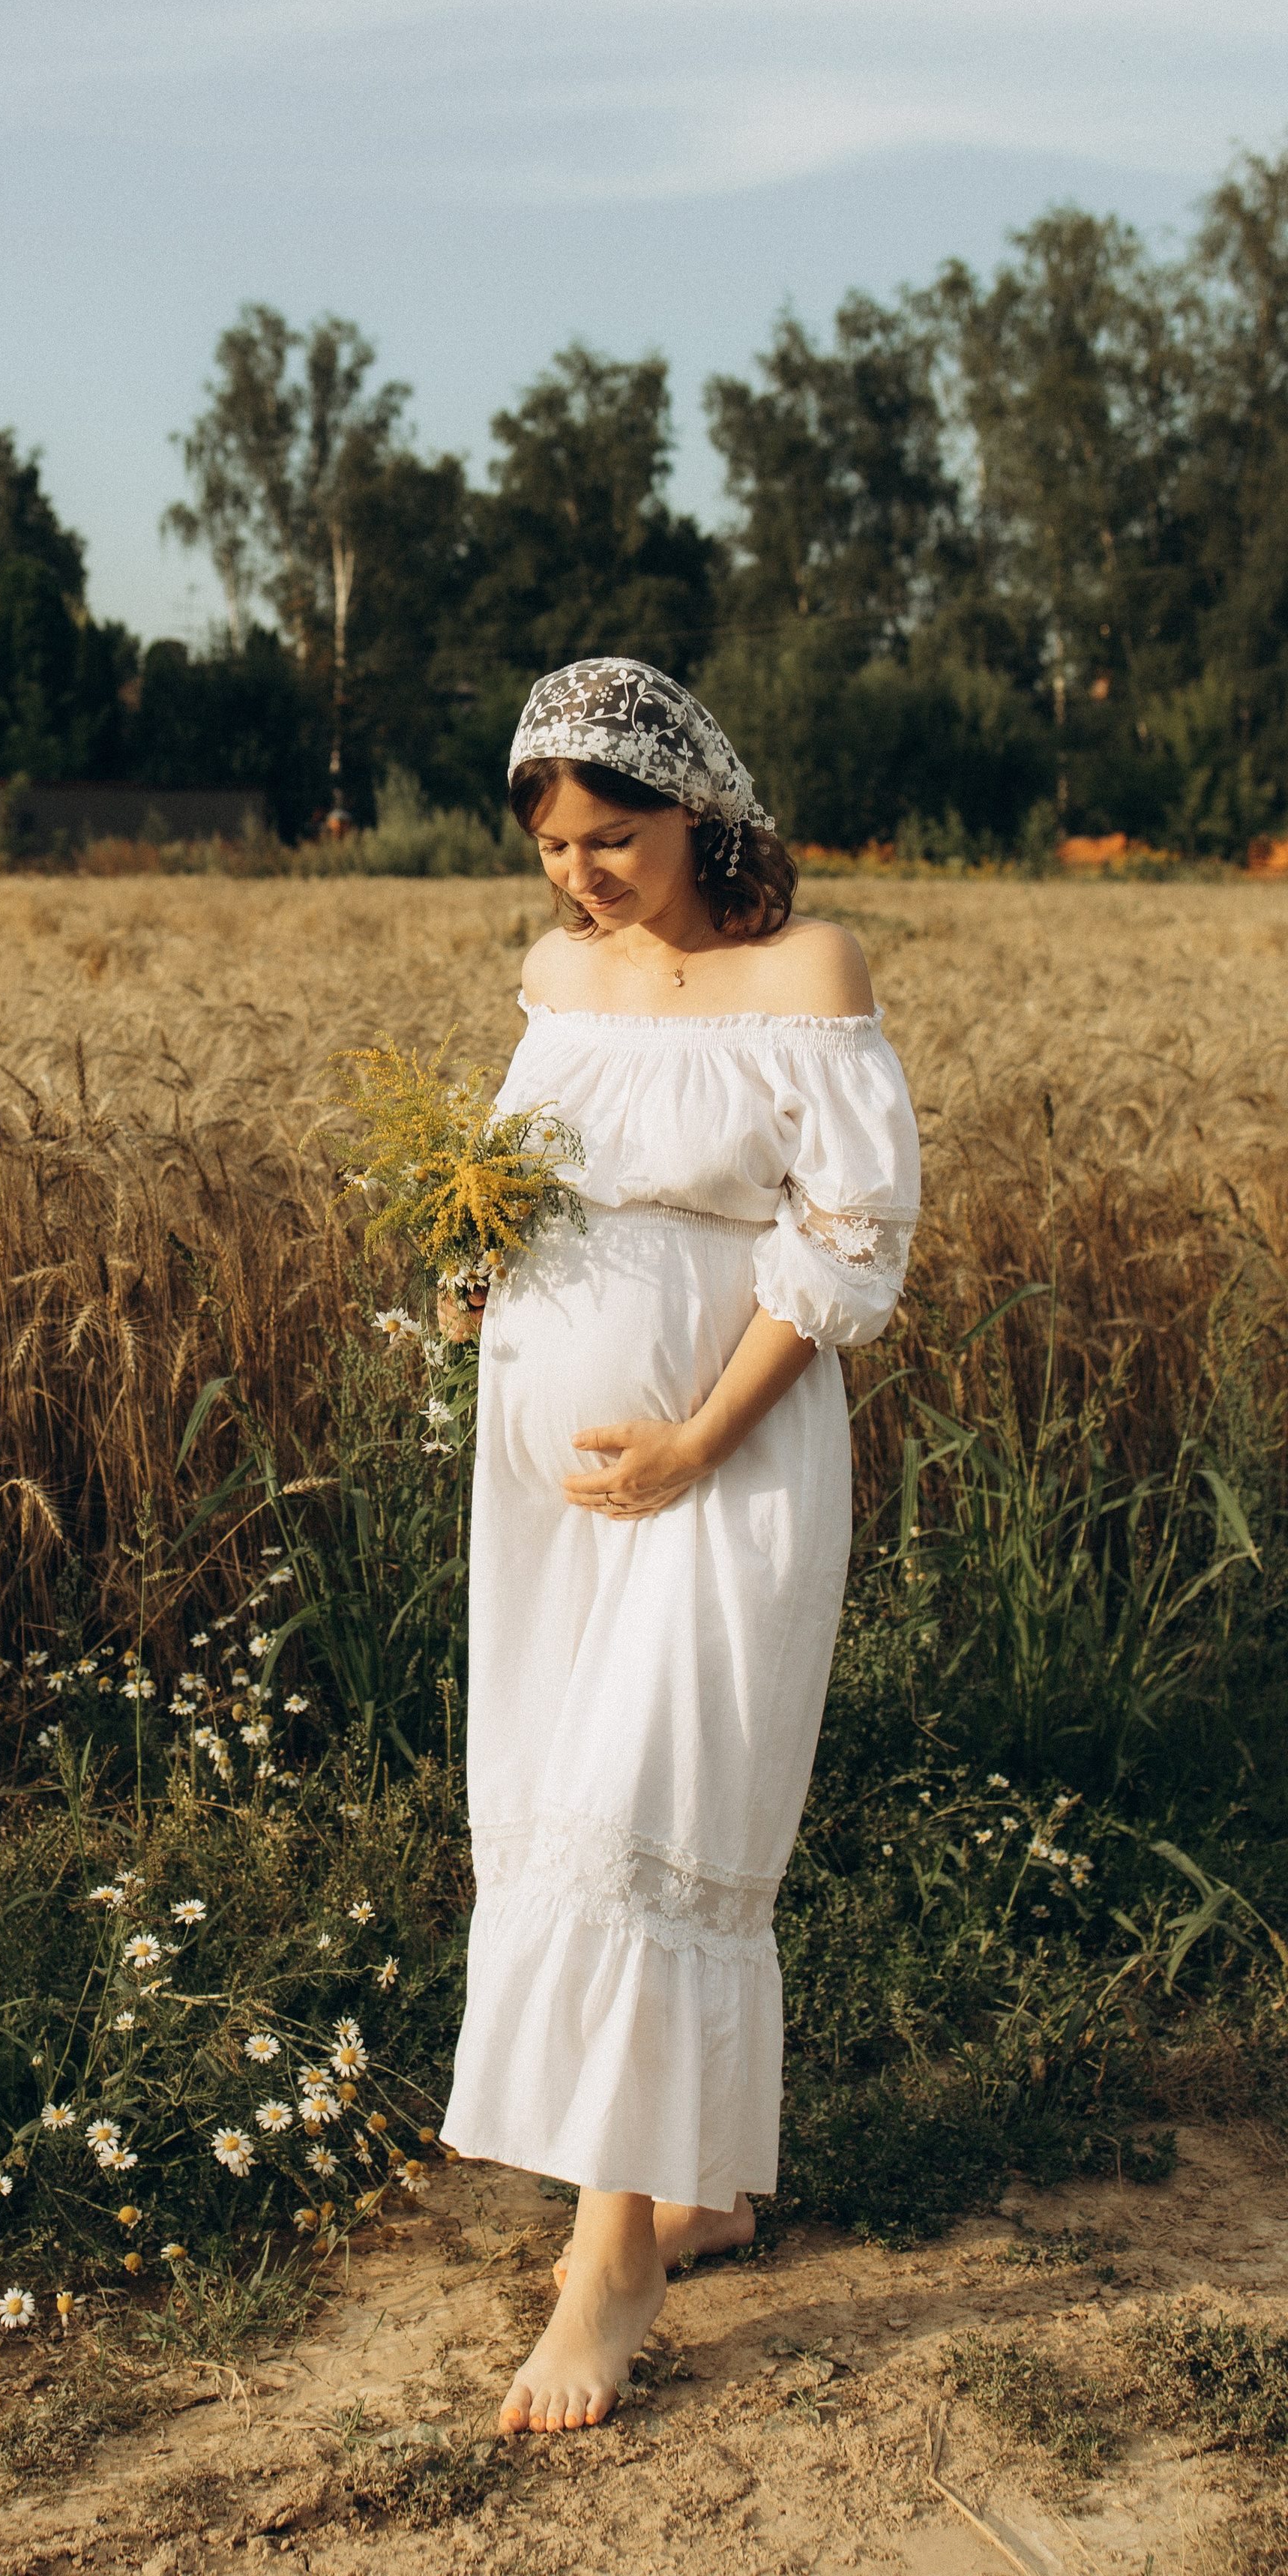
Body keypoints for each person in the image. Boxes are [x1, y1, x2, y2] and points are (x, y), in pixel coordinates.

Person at [436, 657, 921, 2436]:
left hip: (724, 1458)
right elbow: (518, 1166)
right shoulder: (555, 976)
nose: (580, 875)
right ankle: (689, 2180)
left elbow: (850, 1238)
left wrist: (698, 1434)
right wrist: (467, 1253)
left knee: (651, 1808)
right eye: (553, 844)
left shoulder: (805, 974)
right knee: (560, 1797)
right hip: (549, 1472)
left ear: (699, 811)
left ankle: (611, 2265)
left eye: (613, 836)